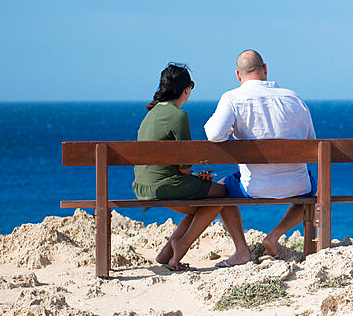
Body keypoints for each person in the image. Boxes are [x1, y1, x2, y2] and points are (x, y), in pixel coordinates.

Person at [133, 63, 249, 271]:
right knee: (224, 195)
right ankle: (184, 244)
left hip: (144, 185)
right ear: (186, 90)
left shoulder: (150, 114)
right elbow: (184, 165)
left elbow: (178, 166)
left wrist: (194, 177)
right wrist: (193, 175)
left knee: (203, 204)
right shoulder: (179, 116)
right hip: (165, 185)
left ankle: (167, 253)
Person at [204, 50, 316, 259]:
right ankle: (274, 236)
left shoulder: (232, 98)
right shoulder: (294, 98)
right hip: (299, 186)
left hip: (254, 188)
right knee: (312, 190)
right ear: (265, 68)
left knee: (222, 188)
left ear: (238, 75)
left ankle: (241, 251)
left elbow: (214, 134)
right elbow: (311, 142)